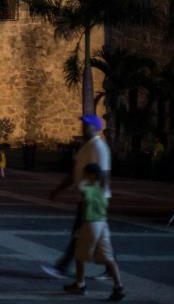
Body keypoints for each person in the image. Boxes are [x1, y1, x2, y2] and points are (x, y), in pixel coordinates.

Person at [42, 115, 112, 280]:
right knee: (95, 235)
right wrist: (58, 189)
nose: (83, 127)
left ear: (96, 128)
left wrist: (98, 198)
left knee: (80, 234)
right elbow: (75, 172)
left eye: (87, 125)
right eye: (83, 124)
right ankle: (110, 268)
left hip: (93, 199)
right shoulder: (85, 147)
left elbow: (105, 174)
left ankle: (63, 268)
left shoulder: (98, 147)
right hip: (85, 197)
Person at [62, 163, 125, 301]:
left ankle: (80, 285)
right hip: (103, 224)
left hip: (90, 223)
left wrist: (79, 226)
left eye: (85, 173)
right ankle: (118, 286)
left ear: (91, 175)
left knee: (79, 256)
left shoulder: (88, 189)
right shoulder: (103, 188)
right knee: (109, 257)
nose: (83, 176)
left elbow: (84, 208)